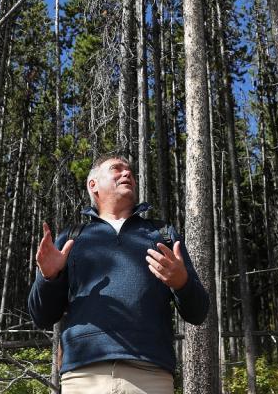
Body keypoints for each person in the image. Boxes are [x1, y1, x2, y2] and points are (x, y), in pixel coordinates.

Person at [28, 153, 210, 394]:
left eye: (131, 173)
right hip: (83, 375)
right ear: (93, 186)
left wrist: (182, 282)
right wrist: (49, 278)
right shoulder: (70, 238)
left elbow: (198, 313)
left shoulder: (162, 234)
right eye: (116, 169)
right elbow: (41, 316)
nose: (127, 175)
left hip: (151, 375)